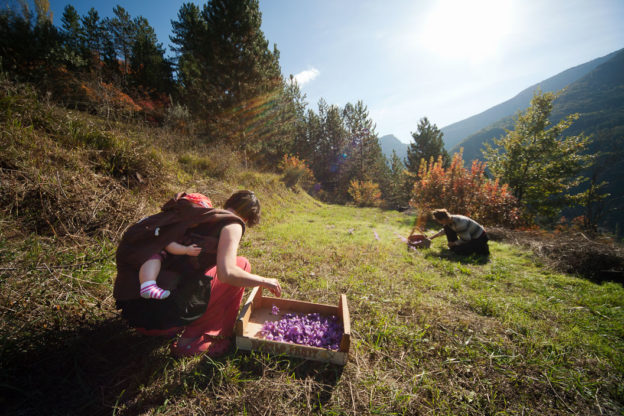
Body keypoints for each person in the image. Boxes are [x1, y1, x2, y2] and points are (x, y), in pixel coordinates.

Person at [114, 190, 282, 358]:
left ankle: (183, 322)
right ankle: (197, 339)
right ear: (247, 219)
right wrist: (264, 280)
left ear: (227, 203)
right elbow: (227, 273)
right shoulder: (233, 224)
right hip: (165, 322)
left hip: (134, 316)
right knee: (242, 265)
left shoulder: (194, 215)